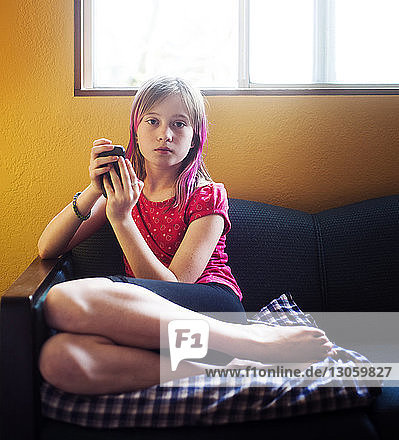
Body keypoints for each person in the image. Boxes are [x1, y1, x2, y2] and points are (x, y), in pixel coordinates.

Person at [38, 76, 335, 395]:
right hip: (151, 327)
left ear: (194, 138)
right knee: (58, 359)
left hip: (210, 309)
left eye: (179, 124)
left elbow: (172, 288)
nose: (164, 134)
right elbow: (47, 248)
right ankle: (233, 367)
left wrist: (122, 221)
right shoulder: (123, 191)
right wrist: (95, 190)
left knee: (60, 299)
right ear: (136, 130)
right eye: (152, 121)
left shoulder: (206, 196)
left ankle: (255, 343)